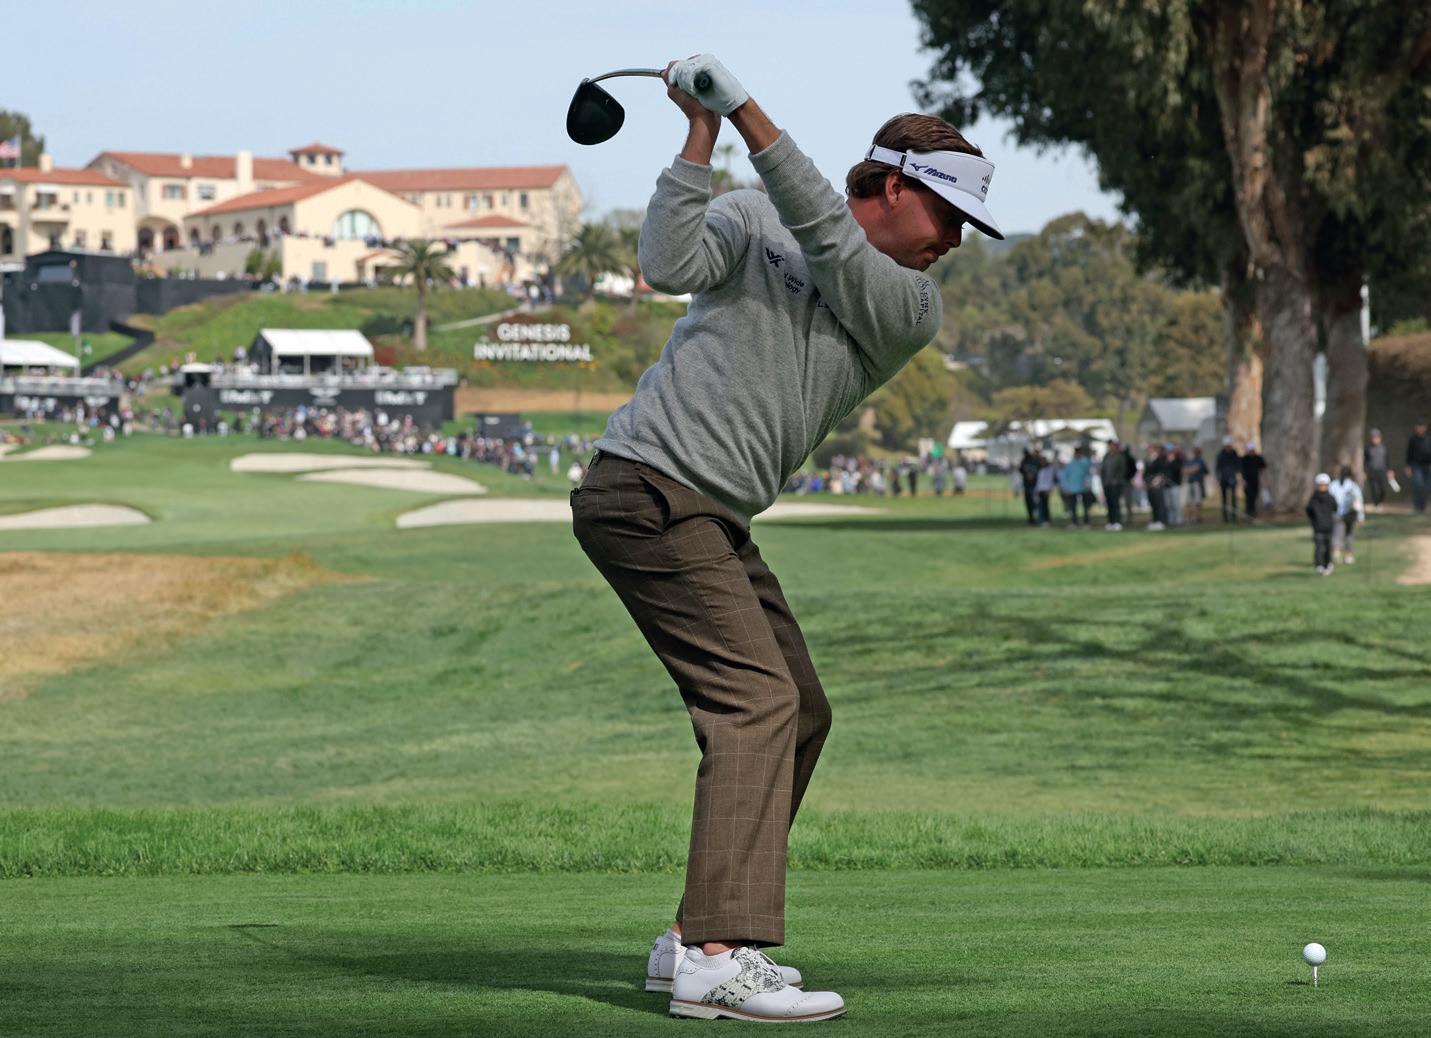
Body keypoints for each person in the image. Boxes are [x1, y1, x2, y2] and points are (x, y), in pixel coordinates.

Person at [571, 54, 1002, 1024]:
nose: (953, 243)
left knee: (798, 709)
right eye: (949, 217)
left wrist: (748, 112)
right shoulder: (754, 217)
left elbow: (832, 245)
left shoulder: (909, 305)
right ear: (893, 185)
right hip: (645, 487)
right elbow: (668, 265)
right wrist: (701, 135)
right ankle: (717, 958)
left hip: (709, 514)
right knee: (756, 702)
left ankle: (691, 937)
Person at [1329, 465, 1365, 565]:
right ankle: (1348, 556)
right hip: (1349, 514)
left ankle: (1336, 552)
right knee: (1349, 534)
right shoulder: (1353, 485)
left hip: (1336, 514)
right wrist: (1361, 517)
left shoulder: (1333, 484)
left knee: (1337, 533)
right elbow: (1358, 502)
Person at [1307, 473, 1338, 575]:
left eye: (1324, 485)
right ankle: (1319, 566)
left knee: (1328, 547)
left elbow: (1335, 508)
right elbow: (1309, 511)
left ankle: (1327, 564)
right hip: (1318, 527)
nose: (1322, 487)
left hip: (1328, 527)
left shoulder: (1330, 498)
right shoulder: (1314, 499)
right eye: (1321, 485)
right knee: (1319, 548)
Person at [1099, 439, 1127, 530]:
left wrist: (1116, 480)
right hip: (1107, 484)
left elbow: (1122, 471)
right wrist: (1103, 481)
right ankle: (1110, 522)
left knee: (1115, 503)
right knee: (1109, 504)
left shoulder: (1120, 457)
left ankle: (1117, 522)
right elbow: (1103, 470)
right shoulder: (1106, 456)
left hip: (1116, 485)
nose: (1110, 447)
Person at [1407, 418, 1431, 513]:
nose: (1420, 428)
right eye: (1418, 426)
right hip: (1416, 466)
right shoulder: (1412, 440)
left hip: (1428, 466)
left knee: (1426, 487)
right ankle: (1417, 507)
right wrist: (1408, 466)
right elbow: (1409, 453)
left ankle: (1422, 507)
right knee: (1417, 485)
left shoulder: (1429, 439)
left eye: (1422, 426)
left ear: (1425, 427)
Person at [1215, 437, 1241, 523]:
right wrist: (1217, 479)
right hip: (1223, 479)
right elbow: (1217, 468)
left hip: (1232, 478)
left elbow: (1238, 466)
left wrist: (1238, 475)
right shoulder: (1220, 455)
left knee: (1233, 497)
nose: (1228, 447)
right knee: (1224, 498)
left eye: (1229, 445)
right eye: (1226, 445)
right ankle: (1225, 517)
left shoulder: (1234, 454)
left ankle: (1234, 516)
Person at [1364, 428, 1390, 512]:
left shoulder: (1384, 447)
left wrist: (1389, 470)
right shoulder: (1368, 448)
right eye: (1373, 437)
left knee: (1383, 490)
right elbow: (1365, 461)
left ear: (1380, 438)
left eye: (1376, 437)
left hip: (1382, 471)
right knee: (1374, 489)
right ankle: (1376, 504)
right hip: (1372, 471)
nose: (1375, 439)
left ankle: (1379, 502)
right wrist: (1365, 471)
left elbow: (1387, 459)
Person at [1241, 441, 1268, 521]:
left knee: (1254, 497)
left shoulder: (1258, 458)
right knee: (1249, 497)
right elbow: (1242, 470)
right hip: (1247, 481)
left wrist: (1265, 479)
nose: (1251, 452)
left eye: (1252, 450)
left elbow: (1264, 466)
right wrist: (1243, 480)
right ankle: (1248, 513)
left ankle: (1253, 513)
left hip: (1256, 481)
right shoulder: (1244, 459)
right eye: (1250, 450)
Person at [1018, 447, 1041, 525]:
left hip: (1034, 485)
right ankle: (1031, 518)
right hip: (1027, 485)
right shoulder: (1024, 461)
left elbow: (1039, 470)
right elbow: (1020, 470)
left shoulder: (1035, 461)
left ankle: (1036, 518)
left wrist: (1032, 475)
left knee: (1034, 503)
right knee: (1029, 503)